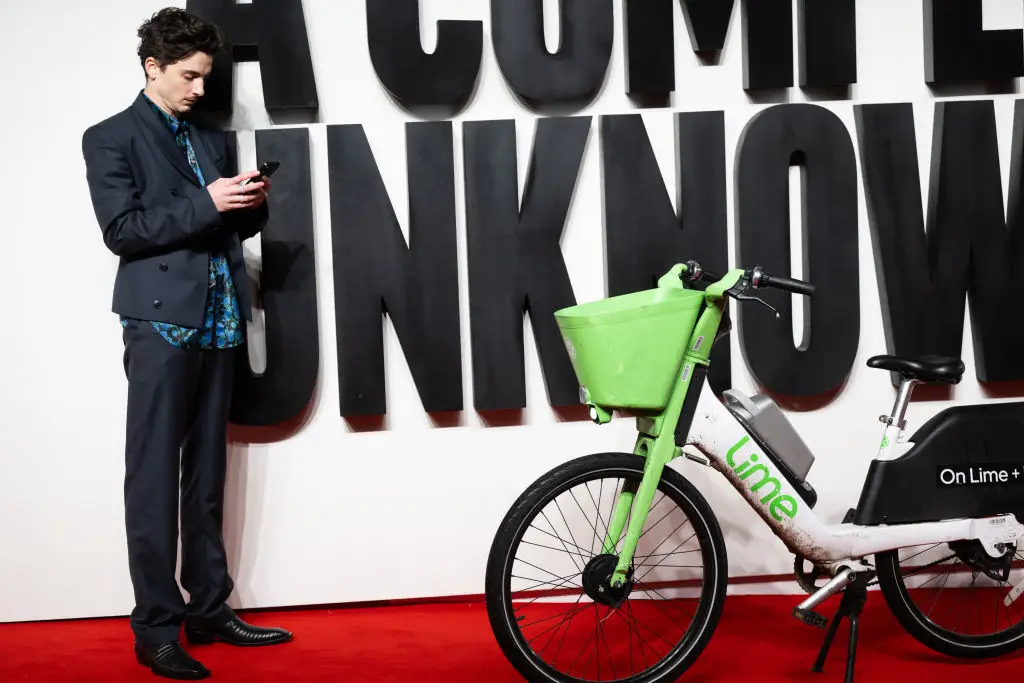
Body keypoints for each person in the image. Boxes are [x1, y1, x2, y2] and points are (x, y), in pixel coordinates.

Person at [81, 8, 292, 680]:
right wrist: (209, 201)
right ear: (153, 67)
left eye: (206, 75)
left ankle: (208, 606)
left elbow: (228, 220)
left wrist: (249, 200)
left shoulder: (208, 136)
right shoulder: (109, 138)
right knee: (152, 479)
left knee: (206, 476)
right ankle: (155, 627)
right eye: (190, 75)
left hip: (219, 317)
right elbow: (124, 229)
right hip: (160, 320)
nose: (201, 88)